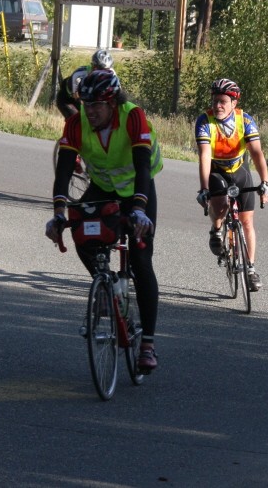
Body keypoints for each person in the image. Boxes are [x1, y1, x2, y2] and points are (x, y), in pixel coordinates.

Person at [45, 69, 163, 372]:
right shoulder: (76, 123)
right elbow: (63, 173)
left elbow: (142, 168)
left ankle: (147, 345)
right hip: (103, 186)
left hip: (138, 187)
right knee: (82, 232)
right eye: (86, 104)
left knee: (140, 258)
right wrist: (59, 213)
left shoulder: (133, 116)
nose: (90, 111)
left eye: (97, 105)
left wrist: (139, 210)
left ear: (112, 103)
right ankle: (107, 287)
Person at [195, 78, 268, 291]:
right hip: (216, 170)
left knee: (247, 221)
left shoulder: (245, 121)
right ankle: (216, 228)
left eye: (223, 102)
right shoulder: (204, 121)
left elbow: (256, 153)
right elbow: (204, 156)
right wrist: (204, 189)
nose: (217, 106)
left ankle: (251, 269)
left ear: (234, 103)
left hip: (239, 169)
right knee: (219, 204)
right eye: (215, 101)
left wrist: (265, 183)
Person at [56, 49, 114, 120]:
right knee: (79, 120)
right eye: (99, 69)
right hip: (68, 99)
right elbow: (77, 98)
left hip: (85, 96)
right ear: (92, 66)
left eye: (106, 70)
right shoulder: (79, 74)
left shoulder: (112, 74)